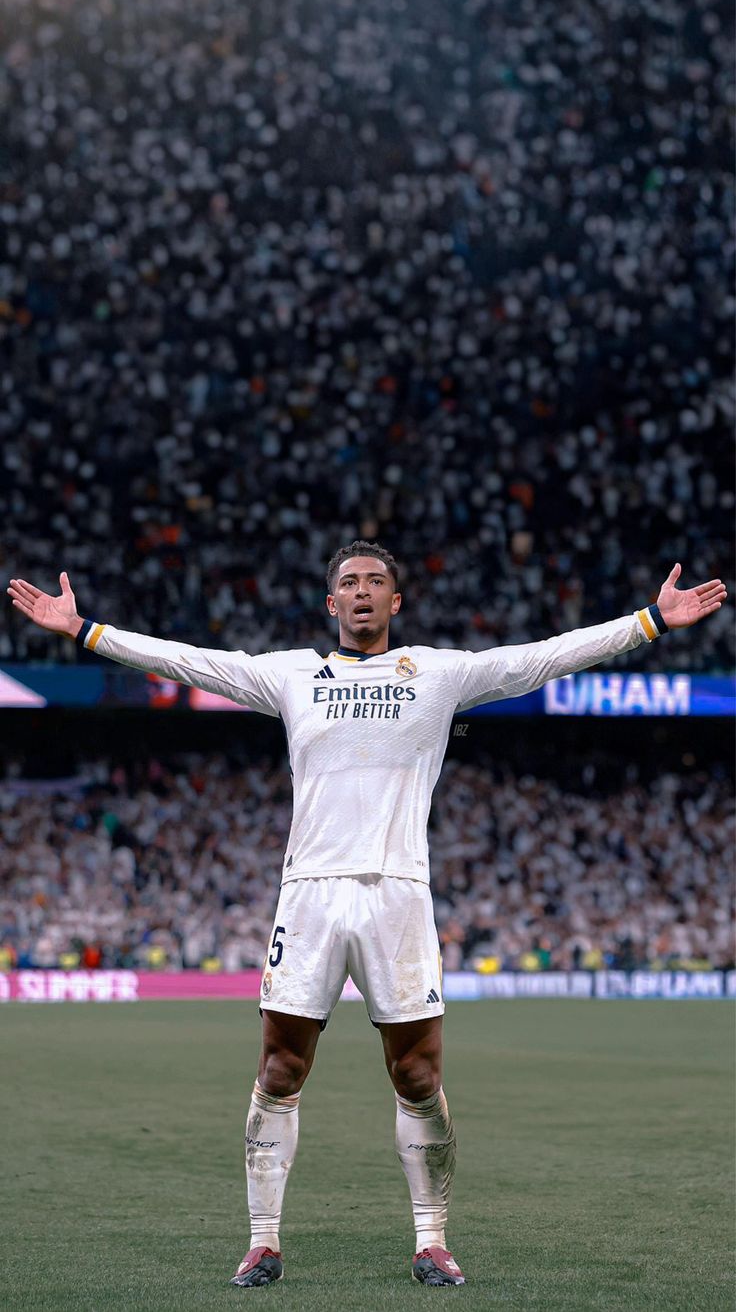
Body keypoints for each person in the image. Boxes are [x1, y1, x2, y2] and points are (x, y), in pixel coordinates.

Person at [6, 542, 727, 1289]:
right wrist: (87, 630)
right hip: (310, 894)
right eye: (348, 583)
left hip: (399, 894)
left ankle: (432, 1239)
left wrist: (650, 622)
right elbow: (186, 661)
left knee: (417, 1075)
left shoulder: (439, 675)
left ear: (395, 603)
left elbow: (544, 658)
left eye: (375, 583)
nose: (361, 593)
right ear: (330, 604)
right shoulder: (287, 675)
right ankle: (261, 1241)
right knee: (279, 1067)